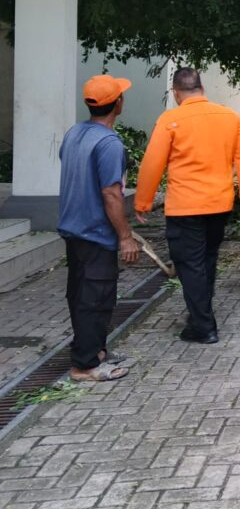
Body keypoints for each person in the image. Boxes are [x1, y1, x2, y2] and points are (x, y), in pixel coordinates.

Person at [134, 67, 240, 344]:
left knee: (190, 265)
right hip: (219, 204)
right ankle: (199, 315)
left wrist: (142, 201)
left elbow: (152, 164)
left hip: (185, 208)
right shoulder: (229, 117)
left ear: (176, 93)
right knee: (207, 260)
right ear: (202, 89)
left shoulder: (170, 119)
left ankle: (203, 326)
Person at [58, 75, 140, 382]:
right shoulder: (108, 144)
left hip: (73, 228)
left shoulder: (75, 133)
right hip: (95, 232)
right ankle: (86, 365)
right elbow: (110, 193)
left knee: (80, 294)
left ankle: (94, 351)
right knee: (97, 298)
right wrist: (125, 236)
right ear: (118, 104)